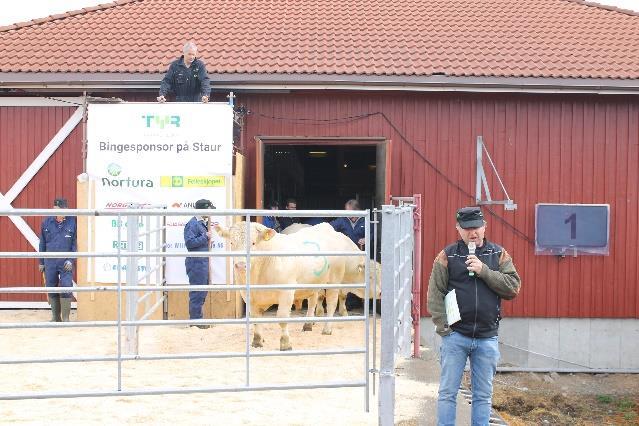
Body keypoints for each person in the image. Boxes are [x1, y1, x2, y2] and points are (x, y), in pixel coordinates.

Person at [427, 206, 521, 426]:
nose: (473, 233)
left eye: (477, 227)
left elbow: (513, 288)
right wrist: (445, 330)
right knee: (448, 393)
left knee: (482, 395)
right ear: (458, 229)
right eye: (467, 228)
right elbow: (435, 295)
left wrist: (484, 271)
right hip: (456, 337)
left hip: (487, 337)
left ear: (485, 227)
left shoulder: (498, 254)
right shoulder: (447, 255)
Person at [39, 198, 77, 322]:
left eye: (60, 210)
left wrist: (71, 260)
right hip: (50, 261)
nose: (57, 212)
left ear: (66, 209)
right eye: (55, 210)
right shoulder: (46, 222)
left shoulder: (73, 222)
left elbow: (75, 244)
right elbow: (42, 243)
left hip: (65, 261)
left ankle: (65, 318)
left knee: (66, 286)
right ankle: (55, 317)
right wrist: (41, 262)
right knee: (51, 286)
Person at [184, 199, 215, 328]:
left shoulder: (201, 223)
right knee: (197, 292)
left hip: (202, 261)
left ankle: (198, 320)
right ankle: (196, 322)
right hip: (196, 262)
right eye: (208, 210)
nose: (210, 213)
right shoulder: (193, 224)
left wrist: (207, 243)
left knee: (202, 290)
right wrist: (205, 237)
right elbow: (189, 243)